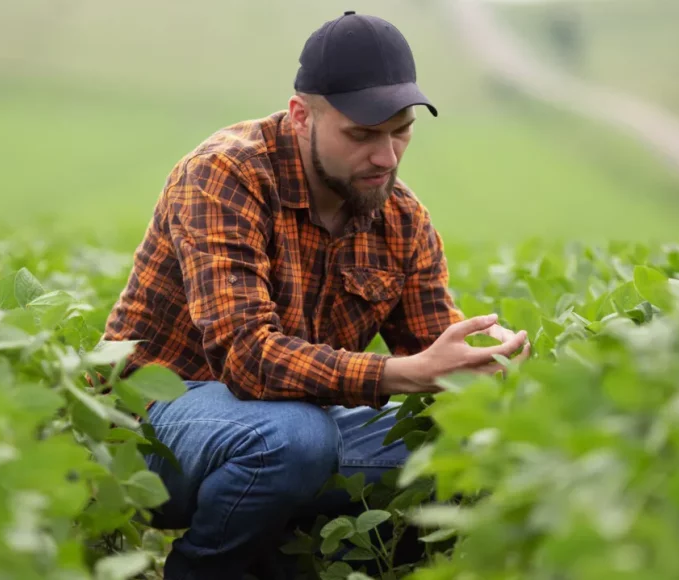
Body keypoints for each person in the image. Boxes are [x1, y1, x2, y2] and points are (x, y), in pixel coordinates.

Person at [99, 10, 530, 580]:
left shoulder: (400, 216)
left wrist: (481, 360)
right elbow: (245, 358)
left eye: (401, 130)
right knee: (294, 437)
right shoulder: (225, 173)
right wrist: (398, 374)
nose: (387, 156)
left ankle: (297, 562)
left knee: (463, 442)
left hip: (300, 427)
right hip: (156, 421)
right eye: (362, 134)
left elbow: (433, 347)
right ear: (302, 116)